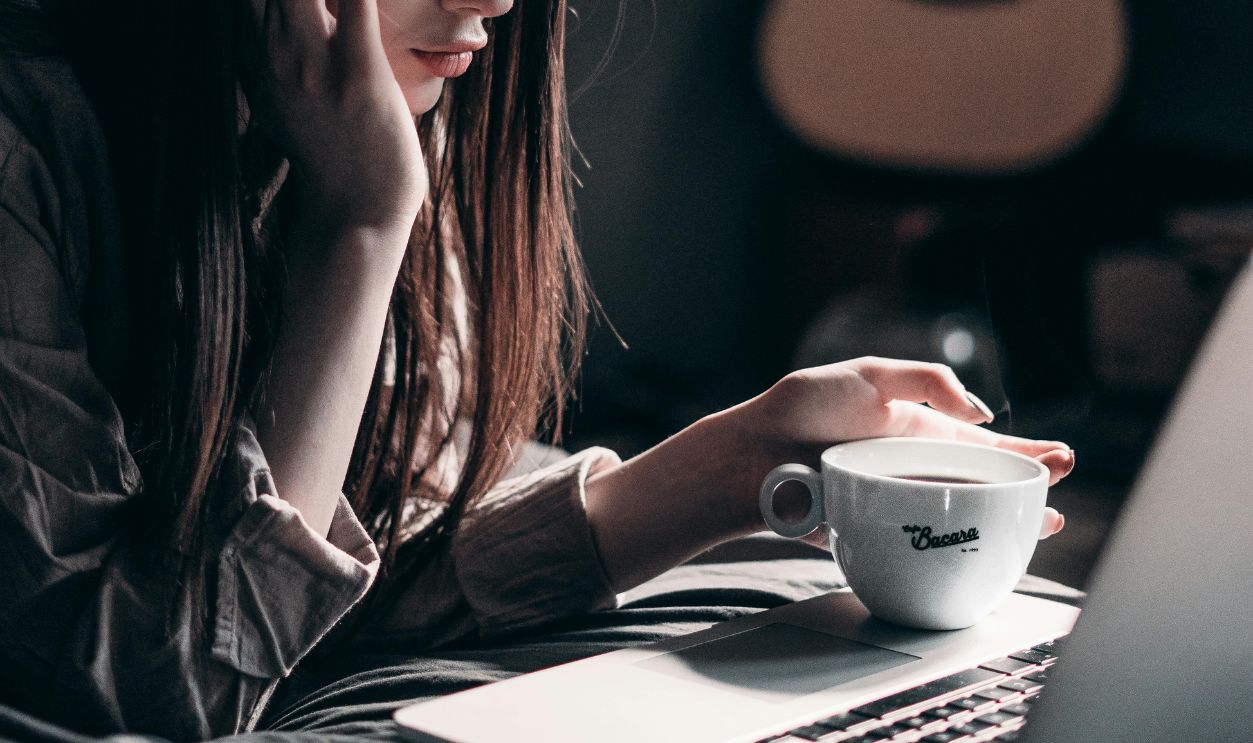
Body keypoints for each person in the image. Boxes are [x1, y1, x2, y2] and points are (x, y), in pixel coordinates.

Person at [0, 0, 1073, 738]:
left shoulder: (389, 114)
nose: (494, 1)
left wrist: (733, 465)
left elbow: (353, 574)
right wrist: (365, 227)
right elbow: (155, 698)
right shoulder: (31, 153)